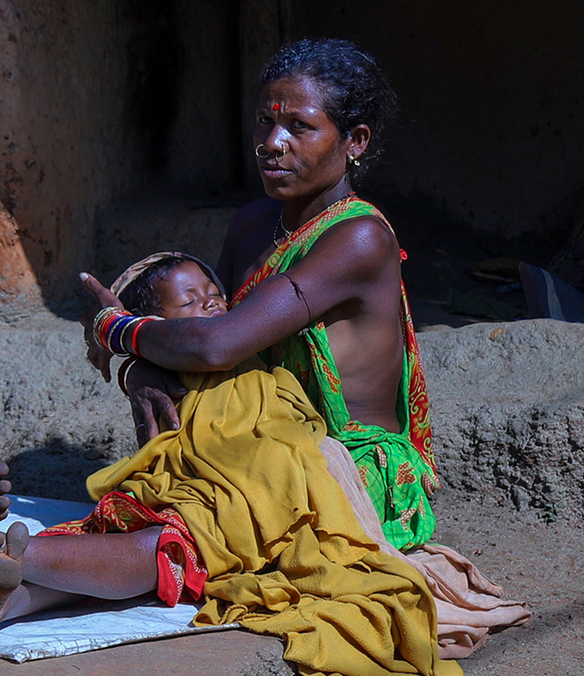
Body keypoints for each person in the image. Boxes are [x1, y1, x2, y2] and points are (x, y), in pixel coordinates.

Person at [0, 253, 464, 675]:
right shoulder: (181, 363)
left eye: (215, 296)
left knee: (149, 554)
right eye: (190, 302)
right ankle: (5, 578)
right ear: (156, 326)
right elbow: (181, 405)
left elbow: (214, 348)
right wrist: (139, 361)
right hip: (219, 489)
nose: (212, 306)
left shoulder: (346, 243)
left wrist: (131, 349)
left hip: (248, 477)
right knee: (166, 552)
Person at [83, 37, 436, 552]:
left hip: (342, 471)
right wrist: (144, 370)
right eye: (264, 123)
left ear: (355, 141)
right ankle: (0, 577)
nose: (272, 142)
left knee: (186, 534)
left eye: (299, 126)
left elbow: (217, 345)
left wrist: (116, 330)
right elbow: (203, 336)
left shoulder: (359, 239)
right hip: (260, 449)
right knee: (149, 505)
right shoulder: (252, 223)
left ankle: (15, 577)